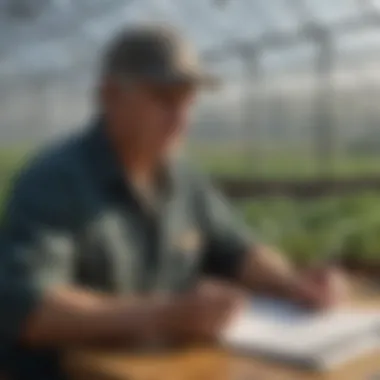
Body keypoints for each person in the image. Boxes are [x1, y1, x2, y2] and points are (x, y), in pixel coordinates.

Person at [0, 24, 346, 380]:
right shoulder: (54, 180)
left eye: (188, 101)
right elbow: (30, 309)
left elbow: (238, 249)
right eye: (164, 99)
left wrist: (293, 284)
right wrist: (169, 315)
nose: (181, 118)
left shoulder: (185, 180)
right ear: (109, 96)